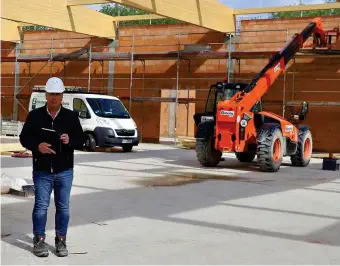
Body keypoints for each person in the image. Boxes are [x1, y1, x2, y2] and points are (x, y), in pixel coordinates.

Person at [20, 77, 86, 257]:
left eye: (57, 94)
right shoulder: (35, 116)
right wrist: (37, 146)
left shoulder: (70, 117)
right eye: (51, 94)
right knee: (41, 206)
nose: (54, 98)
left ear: (62, 96)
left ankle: (61, 240)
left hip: (64, 171)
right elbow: (24, 137)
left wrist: (70, 140)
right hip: (42, 171)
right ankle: (39, 241)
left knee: (63, 207)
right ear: (46, 95)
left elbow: (82, 140)